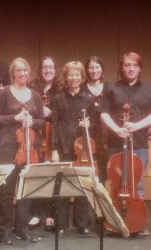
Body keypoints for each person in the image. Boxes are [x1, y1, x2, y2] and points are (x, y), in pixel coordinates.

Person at [101, 52, 151, 236]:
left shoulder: (149, 89)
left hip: (139, 142)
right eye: (126, 65)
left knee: (137, 183)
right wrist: (117, 129)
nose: (130, 68)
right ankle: (114, 220)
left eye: (134, 64)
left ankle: (138, 223)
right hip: (115, 142)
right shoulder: (112, 88)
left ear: (140, 67)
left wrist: (136, 126)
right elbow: (104, 113)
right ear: (122, 67)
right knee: (115, 182)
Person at [0, 57, 44, 244]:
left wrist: (32, 121)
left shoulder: (35, 95)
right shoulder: (4, 93)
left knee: (26, 188)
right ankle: (5, 230)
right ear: (13, 73)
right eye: (19, 70)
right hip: (8, 145)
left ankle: (22, 228)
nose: (22, 73)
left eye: (25, 71)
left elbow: (42, 121)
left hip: (30, 147)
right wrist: (15, 118)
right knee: (7, 189)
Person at [50, 61, 94, 237]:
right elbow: (53, 124)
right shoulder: (58, 98)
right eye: (71, 74)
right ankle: (61, 224)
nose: (74, 78)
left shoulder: (88, 99)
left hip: (82, 148)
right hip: (63, 146)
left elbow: (96, 124)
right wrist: (53, 148)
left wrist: (89, 124)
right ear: (66, 77)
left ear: (82, 77)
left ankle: (81, 223)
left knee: (82, 186)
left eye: (77, 74)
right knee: (62, 186)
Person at [29, 56, 63, 230]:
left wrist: (51, 113)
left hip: (54, 135)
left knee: (53, 175)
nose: (48, 70)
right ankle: (35, 213)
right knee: (36, 174)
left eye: (51, 67)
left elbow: (64, 114)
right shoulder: (32, 86)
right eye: (44, 67)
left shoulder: (61, 88)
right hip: (36, 134)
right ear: (40, 69)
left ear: (55, 70)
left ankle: (51, 214)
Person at [82, 56, 110, 183]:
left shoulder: (109, 88)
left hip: (105, 137)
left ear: (102, 69)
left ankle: (102, 201)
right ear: (87, 70)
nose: (94, 70)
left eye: (97, 67)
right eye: (91, 67)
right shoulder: (81, 88)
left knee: (103, 173)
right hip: (86, 135)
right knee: (86, 172)